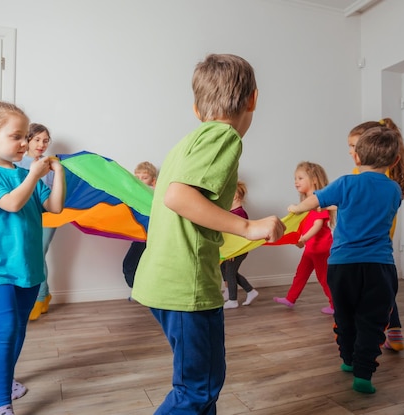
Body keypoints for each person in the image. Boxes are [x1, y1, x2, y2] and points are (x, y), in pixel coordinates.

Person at [131, 54, 285, 414]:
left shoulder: (188, 142)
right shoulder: (224, 136)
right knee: (197, 391)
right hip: (186, 284)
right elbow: (177, 196)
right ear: (253, 99)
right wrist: (248, 226)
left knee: (202, 385)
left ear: (197, 109)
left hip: (166, 279)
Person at [288, 125, 404, 394]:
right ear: (395, 160)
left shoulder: (346, 182)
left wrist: (296, 208)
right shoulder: (394, 190)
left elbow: (315, 200)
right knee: (373, 320)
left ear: (356, 157)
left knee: (344, 315)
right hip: (380, 266)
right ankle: (363, 374)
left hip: (343, 265)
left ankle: (347, 360)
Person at [0, 100, 66, 415]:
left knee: (19, 328)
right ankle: (1, 405)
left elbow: (55, 208)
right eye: (16, 136)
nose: (24, 143)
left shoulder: (27, 174)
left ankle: (6, 381)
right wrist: (34, 175)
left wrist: (58, 172)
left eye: (26, 137)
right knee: (5, 329)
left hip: (28, 267)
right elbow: (10, 203)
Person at [347, 118, 404, 351]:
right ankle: (394, 331)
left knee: (368, 288)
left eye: (354, 146)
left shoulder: (360, 174)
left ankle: (365, 331)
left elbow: (358, 205)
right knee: (382, 286)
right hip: (381, 239)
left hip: (366, 238)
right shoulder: (389, 174)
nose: (351, 152)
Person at [274, 162, 335, 314]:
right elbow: (306, 224)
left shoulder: (317, 200)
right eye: (295, 178)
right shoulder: (306, 202)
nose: (296, 181)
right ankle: (290, 298)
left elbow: (318, 224)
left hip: (321, 247)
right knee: (301, 273)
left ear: (314, 179)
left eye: (300, 178)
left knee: (324, 277)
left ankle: (335, 306)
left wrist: (303, 238)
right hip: (311, 247)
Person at [15, 123, 56, 321]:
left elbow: (53, 196)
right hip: (26, 216)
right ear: (28, 140)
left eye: (45, 141)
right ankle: (45, 294)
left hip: (48, 216)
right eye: (37, 139)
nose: (41, 144)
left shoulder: (51, 165)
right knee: (28, 254)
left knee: (38, 254)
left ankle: (39, 298)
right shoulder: (17, 163)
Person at [221, 181, 259, 309]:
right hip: (230, 250)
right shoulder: (232, 212)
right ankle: (250, 291)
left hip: (237, 250)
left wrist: (234, 252)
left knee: (230, 273)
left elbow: (240, 236)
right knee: (226, 270)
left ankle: (233, 300)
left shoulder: (239, 214)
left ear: (235, 196)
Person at [122, 161, 158, 289]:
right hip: (140, 237)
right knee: (130, 265)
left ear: (153, 181)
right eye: (137, 178)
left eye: (144, 178)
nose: (140, 181)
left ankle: (145, 291)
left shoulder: (155, 193)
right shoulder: (133, 194)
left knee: (148, 266)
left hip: (153, 237)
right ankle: (139, 290)